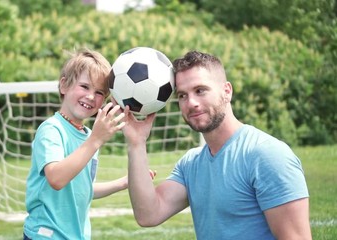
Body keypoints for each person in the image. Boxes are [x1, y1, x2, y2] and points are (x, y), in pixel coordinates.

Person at [122, 50, 312, 239]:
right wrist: (137, 143)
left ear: (227, 91)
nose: (192, 103)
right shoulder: (191, 164)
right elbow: (148, 214)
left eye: (200, 90)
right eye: (182, 95)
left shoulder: (267, 155)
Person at [23, 48, 128, 240]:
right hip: (46, 235)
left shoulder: (88, 136)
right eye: (85, 86)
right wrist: (96, 140)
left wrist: (123, 183)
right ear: (64, 85)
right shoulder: (52, 129)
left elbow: (82, 189)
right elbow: (56, 179)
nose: (90, 96)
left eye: (99, 92)